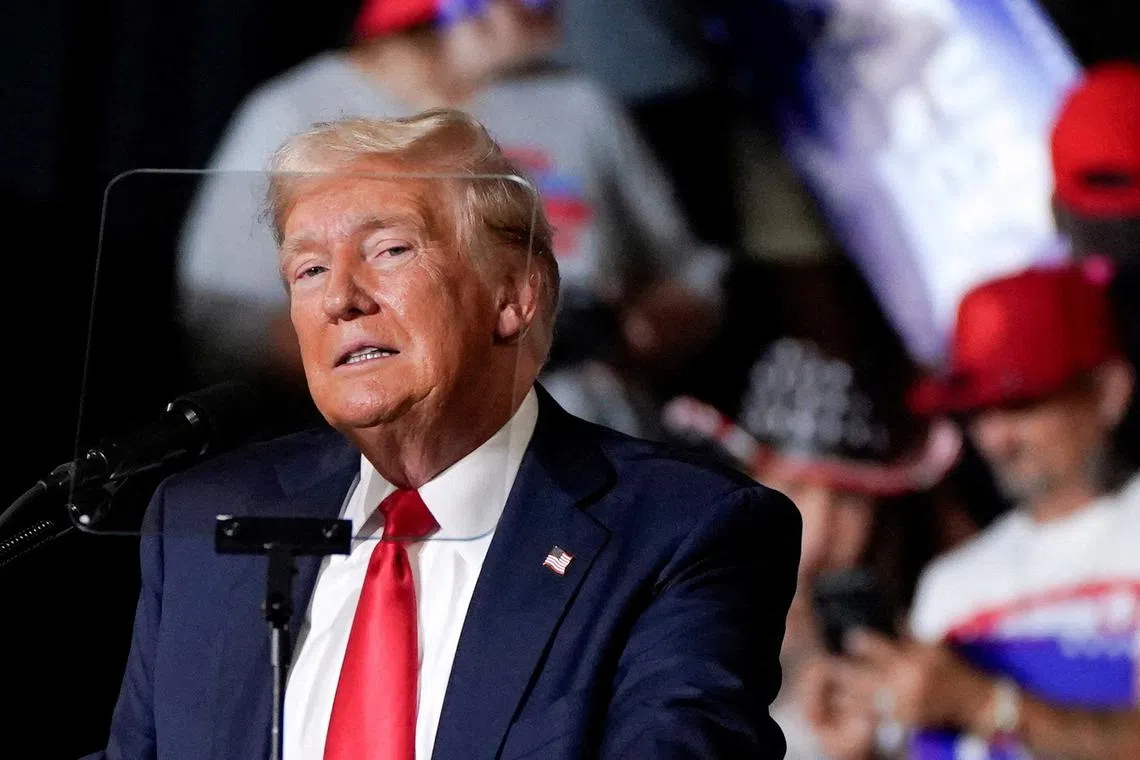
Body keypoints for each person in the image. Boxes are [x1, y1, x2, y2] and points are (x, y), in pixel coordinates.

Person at [84, 110, 801, 759]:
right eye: (309, 269)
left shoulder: (678, 532)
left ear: (514, 295)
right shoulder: (207, 520)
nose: (340, 298)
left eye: (390, 250)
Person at [177, 0, 725, 438]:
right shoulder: (298, 112)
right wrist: (413, 360)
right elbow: (227, 316)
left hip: (589, 435)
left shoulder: (576, 103)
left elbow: (688, 276)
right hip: (391, 452)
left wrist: (639, 329)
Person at [805, 261, 1140, 760]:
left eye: (1022, 403)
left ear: (1108, 390)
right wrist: (860, 751)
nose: (995, 439)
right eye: (978, 409)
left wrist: (985, 704)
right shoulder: (950, 585)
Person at [663, 333, 963, 760]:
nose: (820, 533)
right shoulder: (671, 637)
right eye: (795, 490)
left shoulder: (918, 661)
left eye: (848, 500)